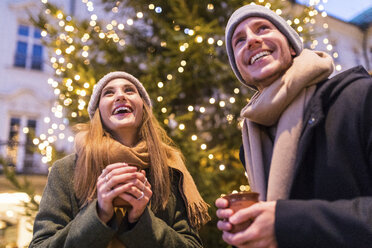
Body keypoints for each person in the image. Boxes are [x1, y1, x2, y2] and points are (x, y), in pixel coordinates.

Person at [215, 4, 372, 248]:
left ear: (290, 45)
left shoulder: (358, 97)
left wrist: (285, 224)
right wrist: (251, 232)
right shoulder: (251, 143)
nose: (252, 40)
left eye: (263, 28)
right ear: (240, 70)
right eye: (239, 40)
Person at [30, 71, 210, 248]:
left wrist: (140, 219)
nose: (120, 96)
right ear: (98, 112)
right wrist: (99, 213)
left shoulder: (169, 169)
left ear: (143, 108)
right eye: (109, 92)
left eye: (129, 90)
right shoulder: (65, 170)